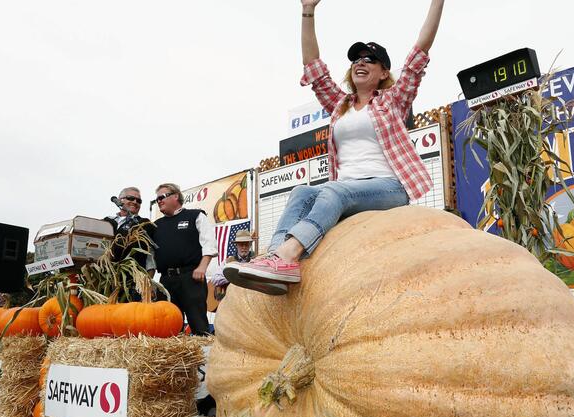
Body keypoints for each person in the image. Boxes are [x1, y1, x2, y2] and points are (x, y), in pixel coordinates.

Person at [225, 0, 445, 293]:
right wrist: (307, 11)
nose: (360, 63)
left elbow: (420, 52)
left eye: (369, 59)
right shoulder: (339, 106)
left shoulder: (393, 100)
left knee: (332, 190)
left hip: (388, 188)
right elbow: (313, 67)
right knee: (301, 191)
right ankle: (276, 261)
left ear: (383, 73)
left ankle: (288, 254)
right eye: (356, 59)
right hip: (346, 190)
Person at [152, 183, 217, 336]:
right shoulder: (155, 226)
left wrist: (202, 267)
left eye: (162, 197)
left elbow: (209, 243)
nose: (159, 201)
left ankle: (203, 357)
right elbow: (150, 255)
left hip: (191, 277)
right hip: (166, 281)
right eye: (157, 199)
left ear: (176, 196)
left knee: (199, 325)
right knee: (167, 328)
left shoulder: (195, 215)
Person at [216, 230, 288, 295]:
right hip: (232, 299)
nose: (244, 247)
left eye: (246, 244)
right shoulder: (228, 261)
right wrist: (233, 276)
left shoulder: (258, 260)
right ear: (236, 245)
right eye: (241, 244)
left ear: (250, 245)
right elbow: (215, 279)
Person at [104, 186, 155, 273]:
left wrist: (147, 282)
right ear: (120, 200)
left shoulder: (144, 224)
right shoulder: (107, 221)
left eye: (139, 201)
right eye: (131, 198)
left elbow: (150, 258)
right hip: (104, 276)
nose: (135, 202)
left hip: (131, 278)